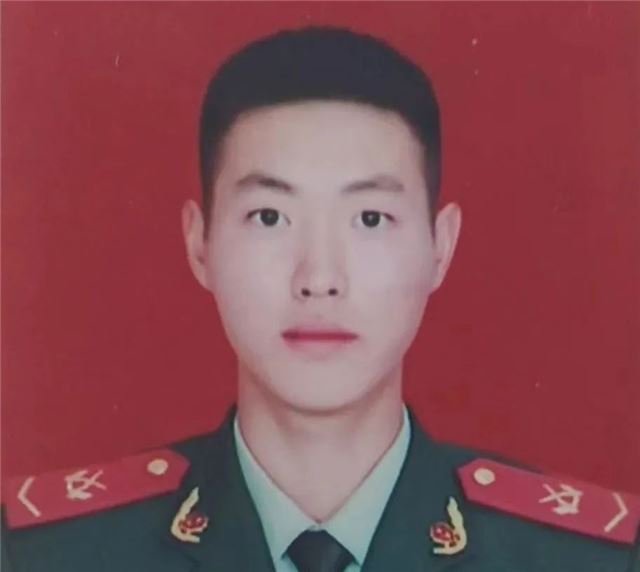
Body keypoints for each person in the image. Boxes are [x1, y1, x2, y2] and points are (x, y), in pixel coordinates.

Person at [2, 26, 638, 572]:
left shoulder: (591, 560)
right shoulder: (44, 555)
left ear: (440, 248)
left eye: (370, 219)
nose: (319, 277)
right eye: (270, 217)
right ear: (200, 244)